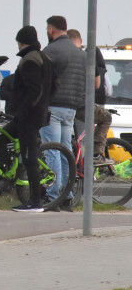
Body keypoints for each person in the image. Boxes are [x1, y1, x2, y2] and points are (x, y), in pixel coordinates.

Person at [6, 26, 53, 212]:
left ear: (21, 41)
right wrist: (45, 102)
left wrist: (24, 111)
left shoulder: (30, 60)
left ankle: (35, 201)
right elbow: (54, 84)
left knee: (29, 159)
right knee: (4, 135)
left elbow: (34, 90)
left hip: (28, 117)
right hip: (35, 113)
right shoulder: (45, 58)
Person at [41, 16, 85, 211]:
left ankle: (53, 196)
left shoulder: (51, 51)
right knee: (67, 151)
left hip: (53, 107)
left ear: (51, 29)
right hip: (71, 108)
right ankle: (67, 196)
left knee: (53, 150)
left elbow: (42, 79)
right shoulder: (79, 54)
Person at [67, 29, 113, 166]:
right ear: (80, 41)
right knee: (106, 117)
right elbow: (98, 85)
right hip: (82, 105)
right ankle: (96, 154)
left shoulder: (63, 56)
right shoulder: (86, 57)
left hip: (63, 104)